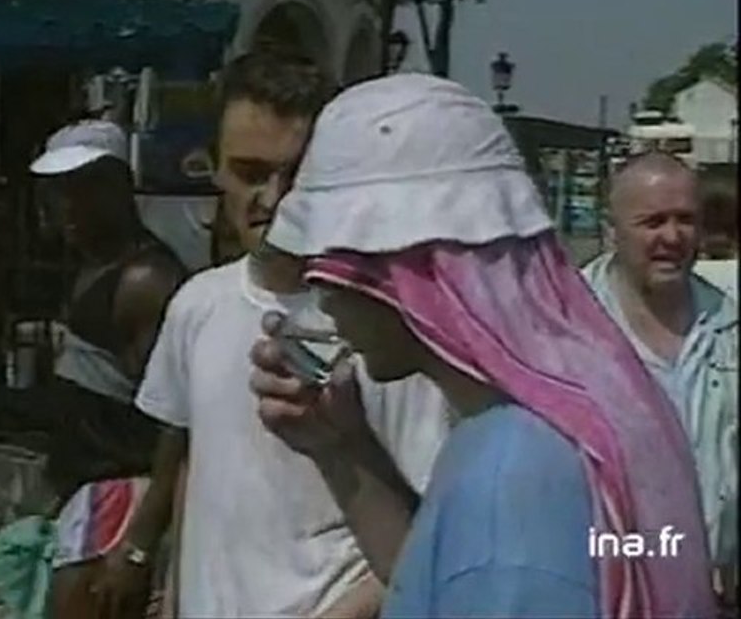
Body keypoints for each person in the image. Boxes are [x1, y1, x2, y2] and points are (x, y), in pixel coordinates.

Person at [248, 74, 717, 618]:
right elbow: (455, 581)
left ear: (406, 270)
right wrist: (343, 447)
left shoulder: (509, 474)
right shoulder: (567, 418)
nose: (321, 292)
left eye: (332, 264)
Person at [94, 49, 449, 618]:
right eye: (251, 173)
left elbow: (430, 533)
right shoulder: (196, 305)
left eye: (297, 174)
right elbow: (196, 464)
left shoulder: (387, 330)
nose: (274, 197)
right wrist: (177, 593)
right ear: (214, 168)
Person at [0, 118, 187, 619]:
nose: (67, 206)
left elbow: (177, 421)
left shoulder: (145, 281)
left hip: (119, 499)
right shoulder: (93, 267)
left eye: (84, 189)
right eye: (58, 191)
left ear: (120, 187)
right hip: (84, 493)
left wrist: (138, 545)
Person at [582, 152, 738, 610]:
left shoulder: (729, 327)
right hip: (599, 593)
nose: (672, 237)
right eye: (652, 221)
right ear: (612, 230)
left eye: (685, 220)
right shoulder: (563, 331)